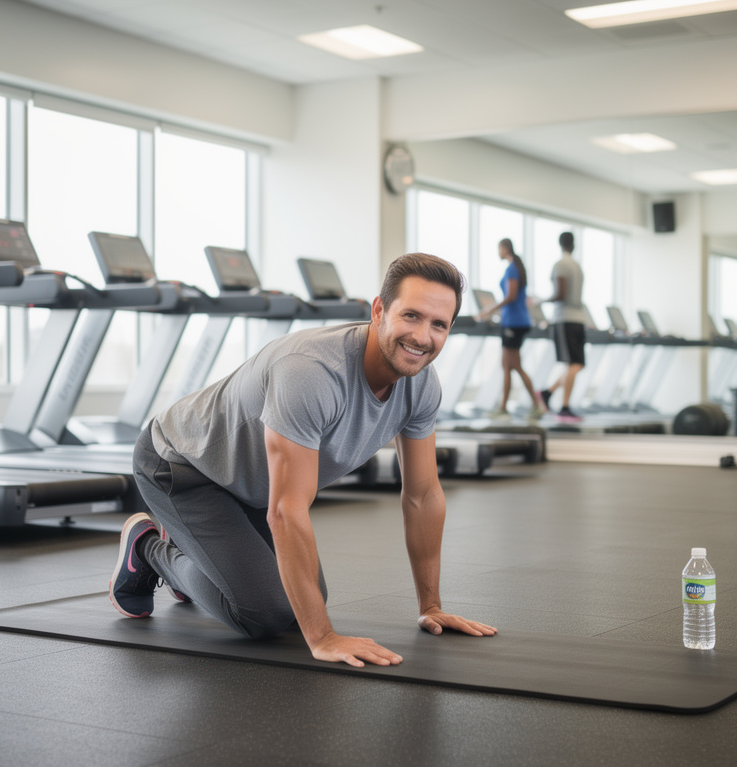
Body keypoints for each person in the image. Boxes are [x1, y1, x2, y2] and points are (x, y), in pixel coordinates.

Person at [110, 253, 497, 668]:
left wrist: (431, 606)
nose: (423, 336)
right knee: (268, 612)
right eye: (412, 316)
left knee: (306, 598)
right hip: (182, 466)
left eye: (438, 324)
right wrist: (323, 636)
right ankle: (149, 546)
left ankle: (202, 554)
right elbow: (285, 510)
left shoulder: (420, 385)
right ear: (379, 310)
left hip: (246, 484)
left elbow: (422, 495)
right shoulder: (311, 372)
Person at [478, 239, 545, 420]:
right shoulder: (516, 267)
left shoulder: (511, 269)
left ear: (505, 248)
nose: (498, 252)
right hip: (516, 321)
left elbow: (511, 296)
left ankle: (536, 404)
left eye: (499, 248)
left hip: (513, 323)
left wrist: (489, 309)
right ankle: (504, 407)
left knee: (514, 365)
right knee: (507, 366)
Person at [538, 231, 589, 423]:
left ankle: (556, 400)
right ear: (573, 245)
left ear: (560, 244)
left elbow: (560, 293)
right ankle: (552, 397)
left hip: (564, 319)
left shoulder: (560, 265)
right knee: (575, 364)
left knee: (574, 364)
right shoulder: (577, 266)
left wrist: (540, 300)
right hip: (578, 319)